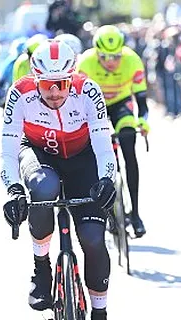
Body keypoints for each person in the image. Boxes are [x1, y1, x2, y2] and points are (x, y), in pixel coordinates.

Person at [0, 40, 117, 320]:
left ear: (71, 79)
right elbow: (8, 149)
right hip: (40, 153)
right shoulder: (19, 93)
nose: (54, 93)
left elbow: (102, 144)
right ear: (35, 79)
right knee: (43, 187)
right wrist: (14, 190)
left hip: (83, 157)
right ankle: (42, 268)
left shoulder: (88, 89)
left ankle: (99, 312)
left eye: (61, 85)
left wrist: (107, 179)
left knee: (92, 238)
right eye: (46, 85)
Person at [77, 25, 150, 237]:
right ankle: (108, 211)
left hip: (121, 104)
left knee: (129, 149)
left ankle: (135, 214)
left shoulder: (133, 61)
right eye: (105, 56)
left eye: (116, 56)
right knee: (100, 154)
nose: (111, 61)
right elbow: (78, 102)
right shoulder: (85, 63)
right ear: (96, 52)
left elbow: (142, 102)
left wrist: (143, 122)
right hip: (95, 106)